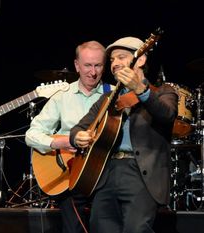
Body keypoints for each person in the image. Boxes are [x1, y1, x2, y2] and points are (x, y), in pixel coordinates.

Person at [69, 36, 178, 233]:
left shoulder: (163, 91)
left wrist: (141, 90)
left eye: (121, 57)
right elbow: (78, 128)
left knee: (136, 229)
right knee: (101, 227)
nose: (114, 64)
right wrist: (77, 137)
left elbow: (167, 114)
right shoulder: (107, 98)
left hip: (141, 174)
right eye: (111, 60)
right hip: (107, 174)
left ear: (141, 60)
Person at [25, 41, 113, 233]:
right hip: (69, 176)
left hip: (103, 176)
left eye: (98, 65)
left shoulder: (113, 95)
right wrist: (62, 141)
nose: (93, 72)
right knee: (74, 227)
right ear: (76, 65)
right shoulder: (61, 96)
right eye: (87, 65)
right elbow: (31, 135)